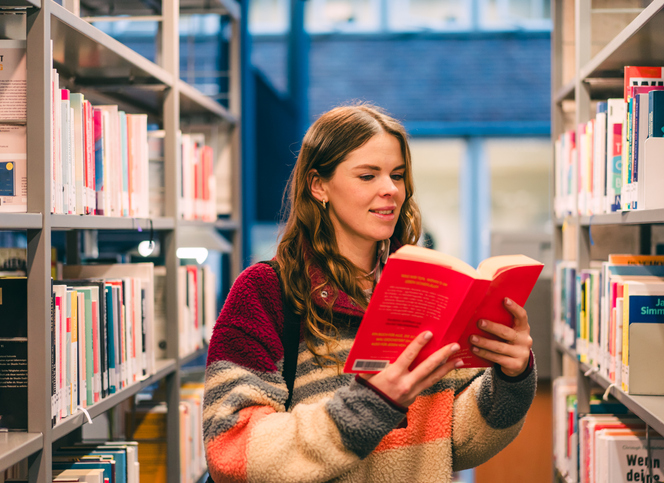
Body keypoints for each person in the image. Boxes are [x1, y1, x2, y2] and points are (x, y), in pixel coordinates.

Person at [203, 104, 536, 483]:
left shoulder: (427, 289)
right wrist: (369, 406)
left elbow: (452, 444)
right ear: (318, 186)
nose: (390, 190)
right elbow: (231, 450)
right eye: (367, 175)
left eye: (397, 175)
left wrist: (512, 379)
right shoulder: (264, 293)